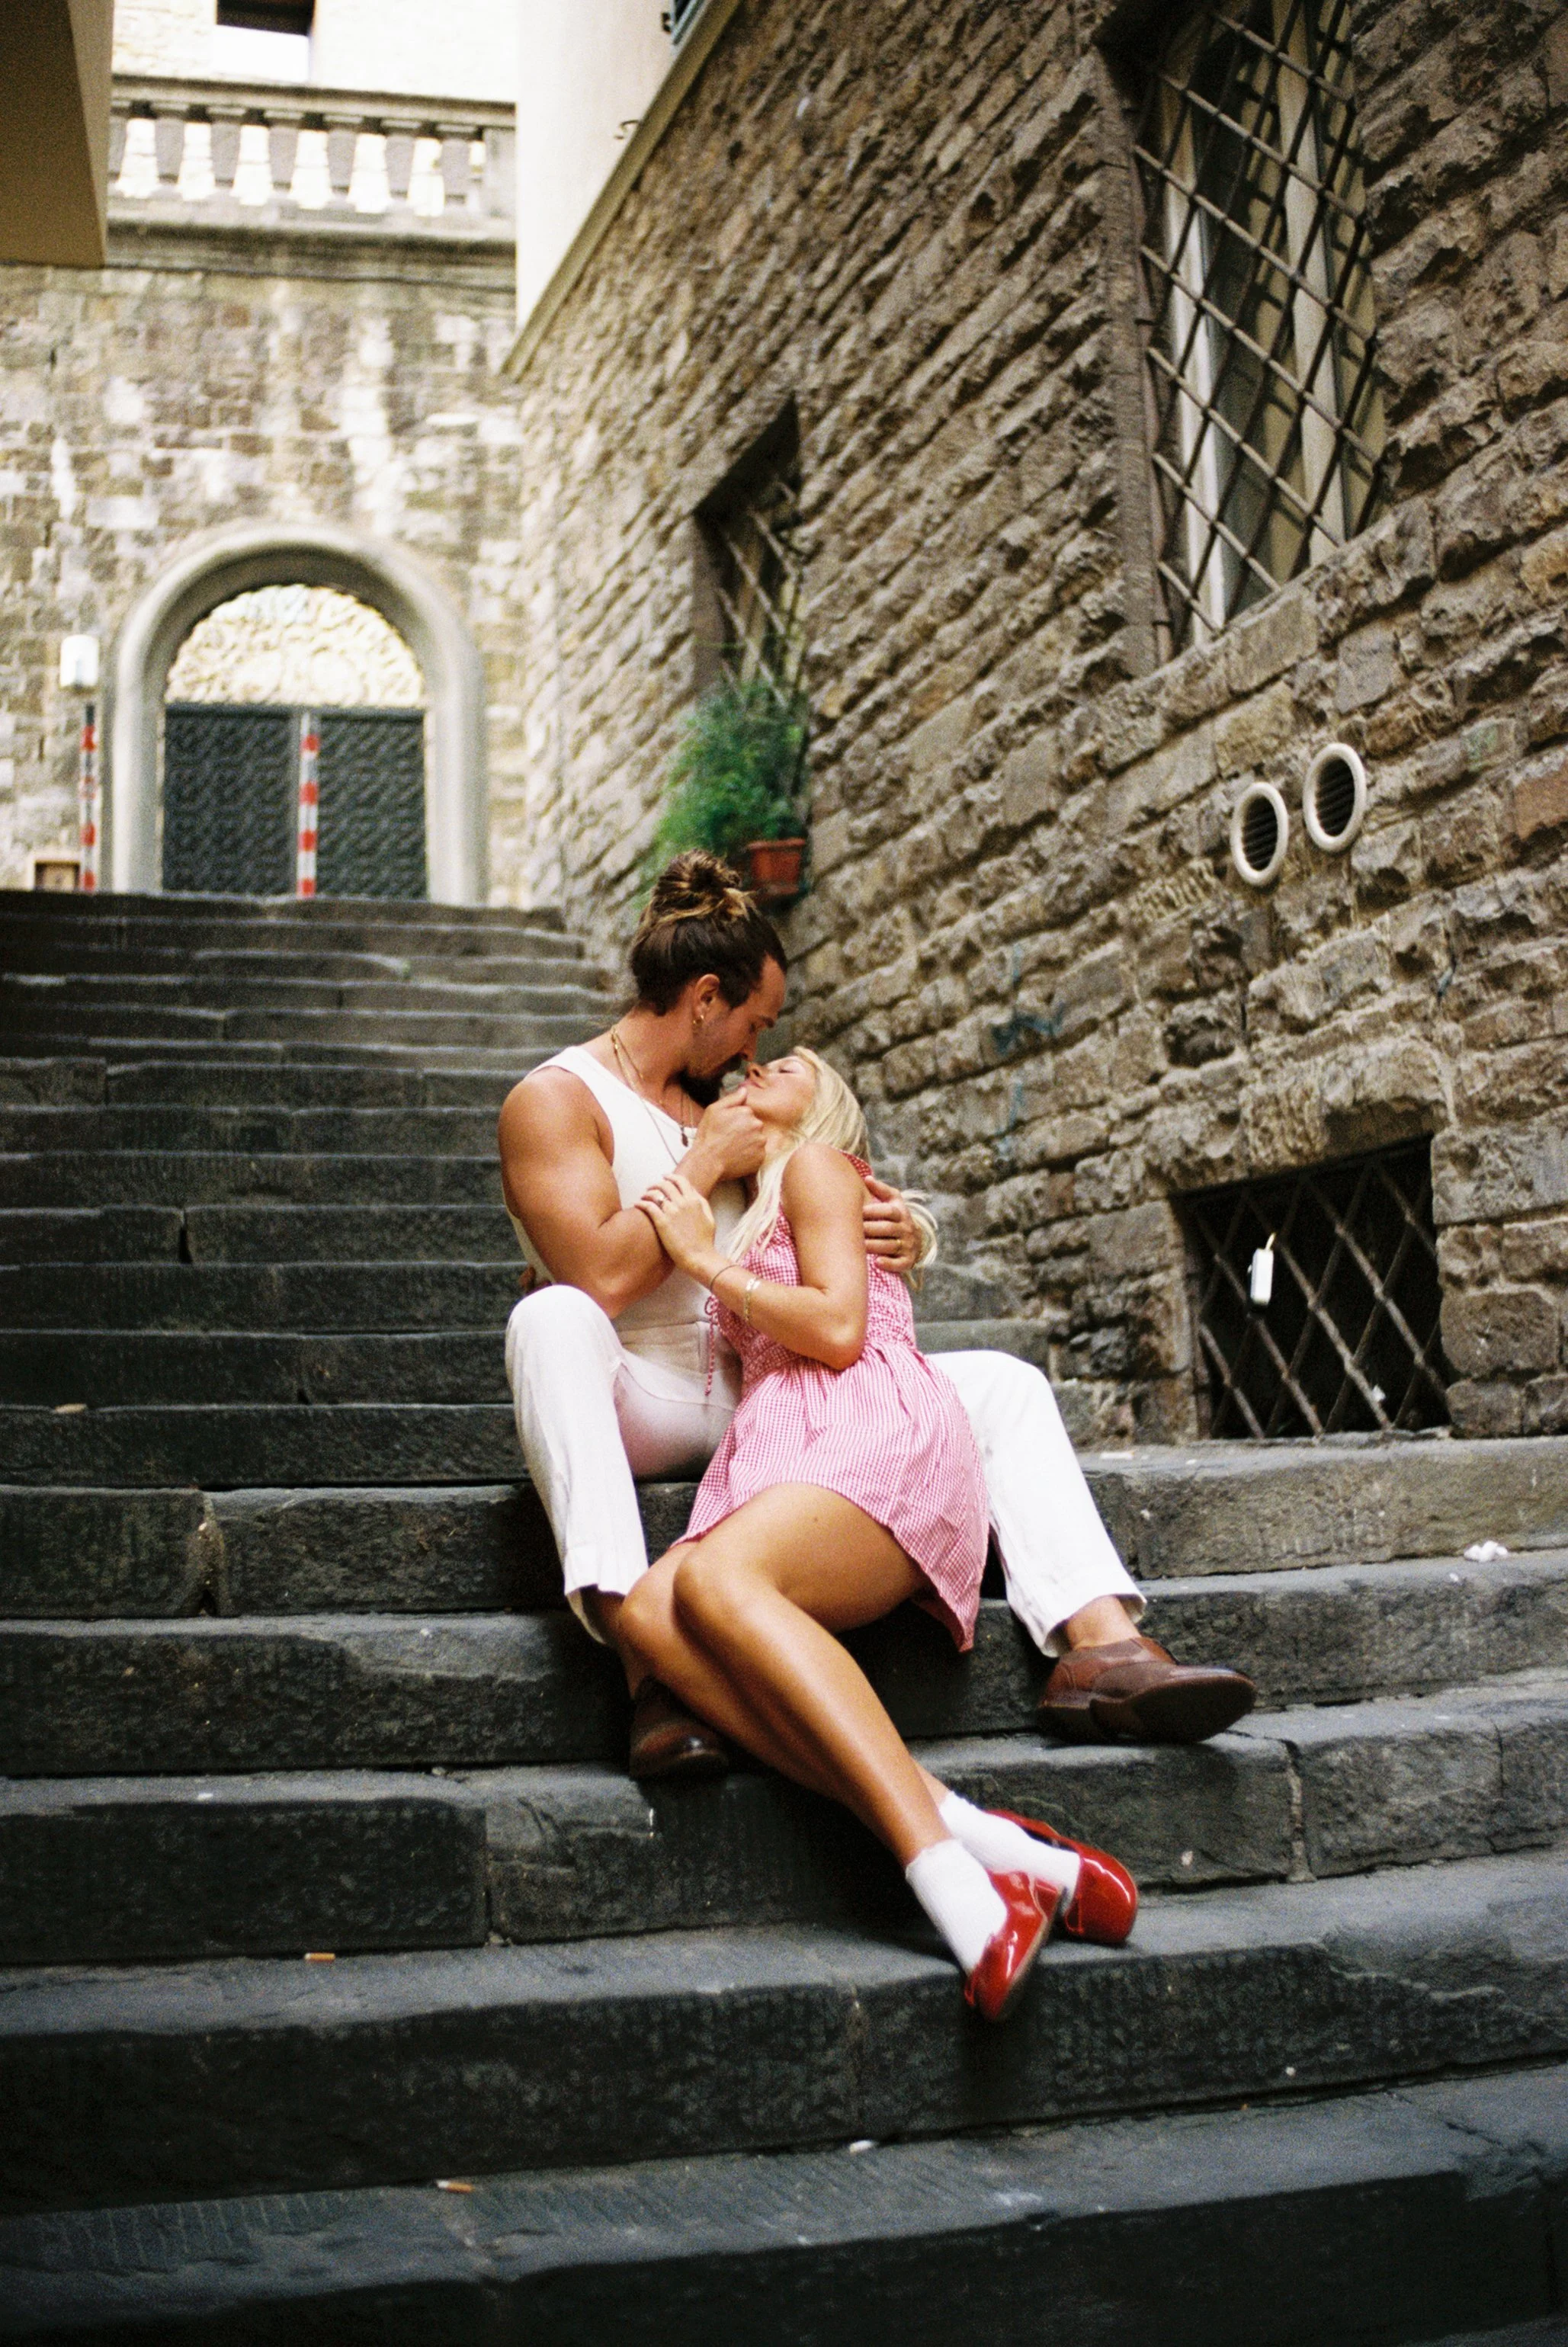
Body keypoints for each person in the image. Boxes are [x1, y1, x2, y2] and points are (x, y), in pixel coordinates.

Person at [500, 851, 1254, 1782]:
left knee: (1004, 1387)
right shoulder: (557, 1098)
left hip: (768, 1394)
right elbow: (594, 1275)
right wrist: (699, 1169)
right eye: (751, 1024)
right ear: (702, 999)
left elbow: (818, 1242)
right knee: (548, 1324)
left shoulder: (735, 1109)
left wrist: (890, 1230)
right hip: (641, 1395)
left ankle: (1097, 1643)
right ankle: (646, 1663)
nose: (750, 1053)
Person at [617, 1046, 1137, 2016]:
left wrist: (698, 1258)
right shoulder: (754, 1196)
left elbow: (840, 1329)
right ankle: (1002, 1849)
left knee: (712, 1584)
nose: (761, 1063)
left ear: (826, 1111)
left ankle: (955, 1890)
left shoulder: (816, 1168)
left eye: (791, 1064)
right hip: (783, 1446)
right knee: (645, 1610)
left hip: (866, 1426)